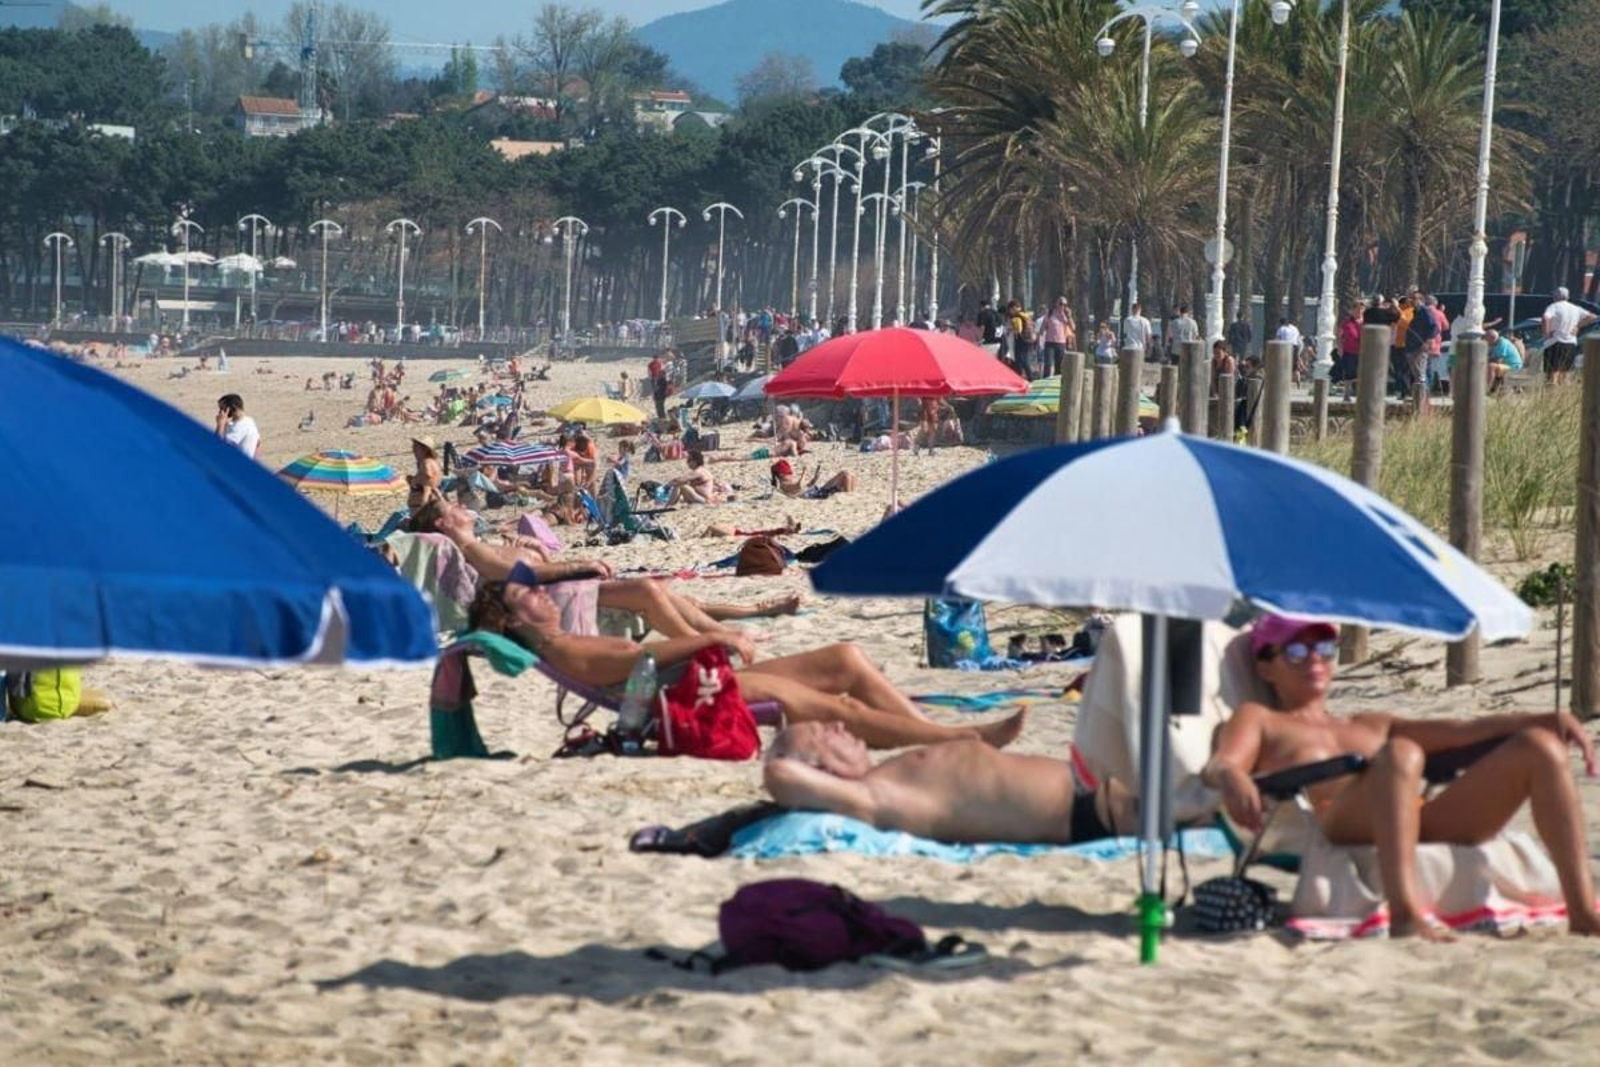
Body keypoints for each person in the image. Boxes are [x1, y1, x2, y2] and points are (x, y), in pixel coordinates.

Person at [1202, 614, 1600, 940]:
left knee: (1539, 746)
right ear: (1265, 667)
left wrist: (1543, 719)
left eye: (1323, 648)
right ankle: (1405, 915)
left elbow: (1464, 731)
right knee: (1401, 752)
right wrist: (1234, 778)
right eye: (1295, 650)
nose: (1314, 660)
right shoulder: (1260, 718)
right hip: (1338, 823)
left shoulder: (1368, 723)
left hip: (1416, 816)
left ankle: (1582, 910)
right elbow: (1219, 765)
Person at [470, 579, 1026, 751]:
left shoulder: (564, 639)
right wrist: (714, 637)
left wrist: (711, 640)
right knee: (830, 705)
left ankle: (928, 731)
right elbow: (642, 657)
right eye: (527, 596)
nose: (541, 593)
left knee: (845, 658)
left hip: (695, 677)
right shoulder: (563, 649)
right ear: (514, 620)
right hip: (687, 693)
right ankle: (958, 740)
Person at [413, 499, 796, 636]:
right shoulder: (469, 547)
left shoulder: (483, 544)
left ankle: (752, 611)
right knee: (647, 591)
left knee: (674, 596)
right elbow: (516, 578)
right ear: (443, 523)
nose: (462, 507)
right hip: (553, 600)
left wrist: (540, 553)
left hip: (559, 590)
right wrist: (581, 565)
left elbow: (528, 570)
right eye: (452, 507)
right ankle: (707, 639)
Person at [763, 720, 1134, 843]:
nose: (838, 725)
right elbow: (779, 773)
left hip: (1099, 786)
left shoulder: (885, 777)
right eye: (821, 733)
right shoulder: (874, 797)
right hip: (1093, 808)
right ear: (817, 768)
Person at [1542, 287, 1597, 386]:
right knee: (1565, 373)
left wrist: (1547, 333)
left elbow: (1546, 318)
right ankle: (1564, 392)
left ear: (1557, 296)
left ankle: (1552, 392)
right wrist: (1577, 326)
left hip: (1555, 342)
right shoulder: (1575, 308)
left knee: (1553, 373)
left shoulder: (1554, 306)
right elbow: (1592, 317)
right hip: (1571, 343)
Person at [770, 458, 857, 498]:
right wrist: (804, 472)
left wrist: (814, 479)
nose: (791, 475)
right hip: (817, 493)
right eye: (789, 474)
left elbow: (805, 487)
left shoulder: (787, 482)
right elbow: (799, 486)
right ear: (781, 475)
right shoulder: (784, 484)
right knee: (845, 475)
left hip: (816, 490)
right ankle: (849, 496)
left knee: (849, 474)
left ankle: (850, 494)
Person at [214, 394, 260, 458]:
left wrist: (220, 424)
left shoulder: (240, 426)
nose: (220, 412)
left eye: (222, 408)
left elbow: (218, 447)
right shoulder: (249, 421)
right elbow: (258, 444)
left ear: (232, 407)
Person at [406, 436, 444, 510]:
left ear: (425, 449)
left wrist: (415, 480)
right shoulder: (434, 461)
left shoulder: (426, 462)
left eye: (416, 447)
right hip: (433, 499)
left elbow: (427, 476)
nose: (413, 450)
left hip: (422, 503)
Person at [1042, 298, 1076, 376]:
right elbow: (1043, 328)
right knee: (1048, 364)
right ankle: (1045, 379)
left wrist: (1069, 316)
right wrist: (1039, 339)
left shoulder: (1065, 316)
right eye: (1061, 304)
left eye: (1065, 305)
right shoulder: (1050, 313)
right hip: (1049, 343)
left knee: (1059, 366)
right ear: (1056, 303)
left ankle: (1057, 380)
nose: (1062, 306)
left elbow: (1073, 328)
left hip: (1061, 343)